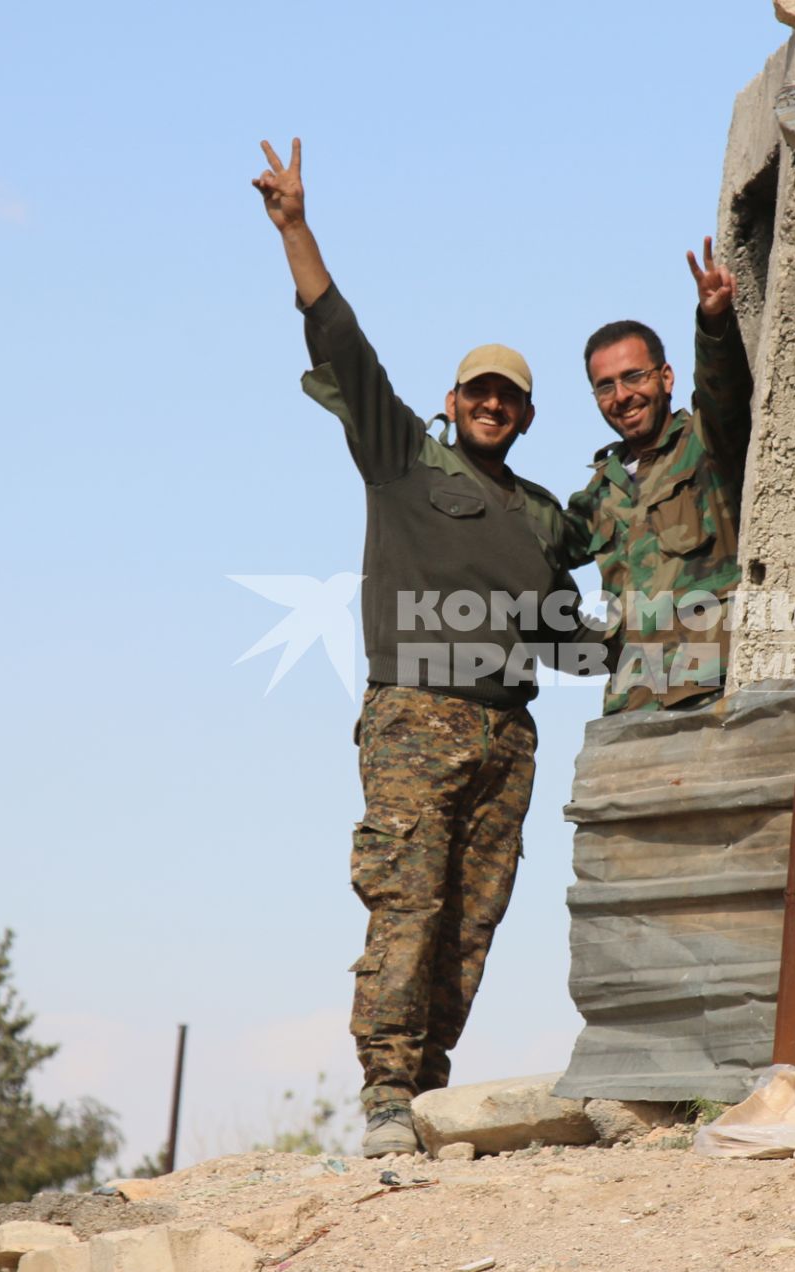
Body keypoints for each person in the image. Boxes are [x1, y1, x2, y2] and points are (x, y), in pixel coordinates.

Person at [252, 137, 587, 1157]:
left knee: (472, 920)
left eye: (510, 395)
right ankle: (388, 1089)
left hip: (510, 733)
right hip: (417, 715)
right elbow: (344, 346)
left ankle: (431, 1087)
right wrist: (296, 228)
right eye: (477, 390)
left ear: (527, 415)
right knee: (409, 897)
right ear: (453, 401)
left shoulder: (538, 516)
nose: (492, 402)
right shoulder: (404, 459)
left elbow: (576, 639)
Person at [567, 239, 754, 714]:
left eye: (635, 377)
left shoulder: (705, 446)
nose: (622, 395)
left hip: (713, 694)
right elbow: (535, 556)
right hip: (630, 709)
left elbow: (724, 393)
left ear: (666, 378)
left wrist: (714, 322)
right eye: (605, 386)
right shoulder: (597, 494)